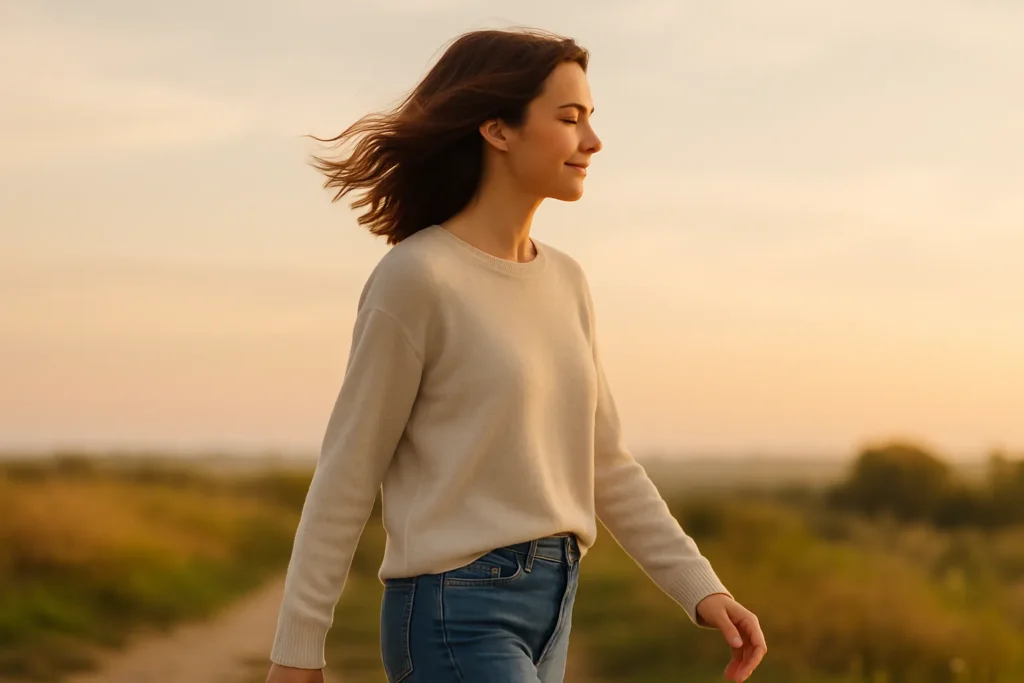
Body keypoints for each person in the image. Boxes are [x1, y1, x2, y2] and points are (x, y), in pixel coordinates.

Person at [265, 27, 767, 683]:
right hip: (454, 611)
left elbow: (604, 461)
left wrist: (702, 588)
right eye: (569, 118)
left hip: (553, 607)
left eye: (591, 119)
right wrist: (297, 649)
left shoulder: (566, 281)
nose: (593, 141)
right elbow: (347, 471)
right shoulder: (418, 278)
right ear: (498, 129)